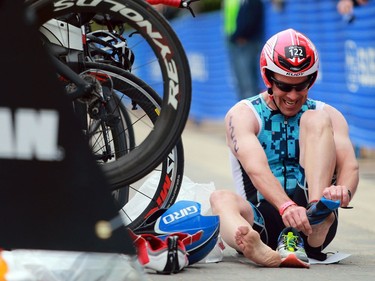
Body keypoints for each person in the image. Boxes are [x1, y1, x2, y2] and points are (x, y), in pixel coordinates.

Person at [210, 28, 359, 268]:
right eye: (284, 86)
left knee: (316, 119)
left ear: (311, 79)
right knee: (220, 198)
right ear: (268, 78)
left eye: (301, 86)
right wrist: (285, 206)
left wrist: (343, 192)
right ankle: (253, 246)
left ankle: (317, 211)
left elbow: (350, 166)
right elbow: (255, 168)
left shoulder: (327, 114)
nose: (293, 95)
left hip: (313, 225)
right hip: (263, 220)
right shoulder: (243, 114)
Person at [223, 0, 264, 100]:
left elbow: (252, 19)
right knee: (241, 83)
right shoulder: (240, 3)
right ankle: (243, 110)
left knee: (248, 83)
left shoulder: (252, 2)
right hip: (236, 43)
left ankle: (250, 112)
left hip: (246, 44)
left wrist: (241, 36)